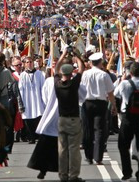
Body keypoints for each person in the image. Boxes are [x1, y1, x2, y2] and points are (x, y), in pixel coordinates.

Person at [114, 62, 139, 180]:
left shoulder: (124, 84)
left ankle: (127, 171)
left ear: (130, 73)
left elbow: (116, 95)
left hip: (127, 118)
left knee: (123, 145)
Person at [53, 48, 86, 182]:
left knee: (62, 150)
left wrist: (63, 55)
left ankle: (63, 175)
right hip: (73, 119)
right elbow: (82, 69)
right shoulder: (73, 85)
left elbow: (55, 69)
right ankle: (73, 175)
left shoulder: (57, 84)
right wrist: (77, 56)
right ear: (71, 72)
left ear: (62, 73)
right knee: (74, 150)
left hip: (61, 120)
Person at [81, 52, 117, 165]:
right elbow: (110, 92)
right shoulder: (104, 75)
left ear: (91, 63)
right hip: (101, 103)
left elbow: (81, 89)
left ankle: (89, 156)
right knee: (100, 130)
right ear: (100, 62)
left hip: (87, 103)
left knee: (88, 130)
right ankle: (98, 157)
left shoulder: (85, 74)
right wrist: (114, 105)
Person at [19, 55, 46, 144]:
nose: (29, 64)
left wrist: (44, 100)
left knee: (38, 117)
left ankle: (38, 136)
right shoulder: (22, 75)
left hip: (37, 99)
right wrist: (21, 102)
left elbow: (43, 87)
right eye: (27, 62)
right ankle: (31, 137)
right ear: (24, 64)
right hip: (27, 99)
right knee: (28, 118)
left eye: (30, 62)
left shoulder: (39, 74)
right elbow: (20, 89)